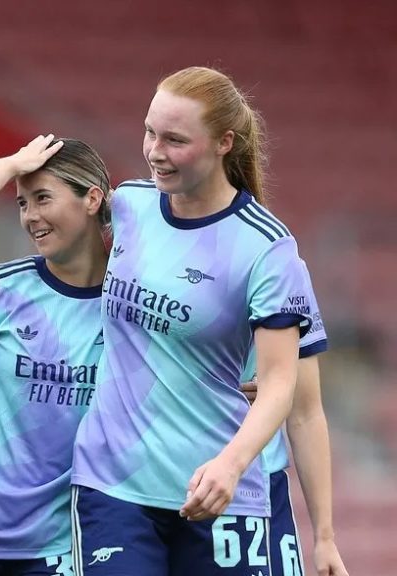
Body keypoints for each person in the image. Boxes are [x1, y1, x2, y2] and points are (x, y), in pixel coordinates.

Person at [71, 66, 312, 575]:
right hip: (112, 484)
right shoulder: (129, 206)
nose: (154, 150)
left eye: (175, 140)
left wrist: (231, 463)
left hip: (215, 489)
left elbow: (279, 385)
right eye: (149, 131)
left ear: (225, 142)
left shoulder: (267, 247)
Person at [0, 139, 109, 576]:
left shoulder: (131, 307)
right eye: (22, 203)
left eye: (43, 198)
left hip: (58, 542)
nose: (30, 217)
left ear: (92, 199)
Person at [240, 263, 349, 576]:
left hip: (255, 493)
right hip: (146, 487)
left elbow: (305, 412)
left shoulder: (278, 261)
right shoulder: (141, 238)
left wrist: (324, 537)